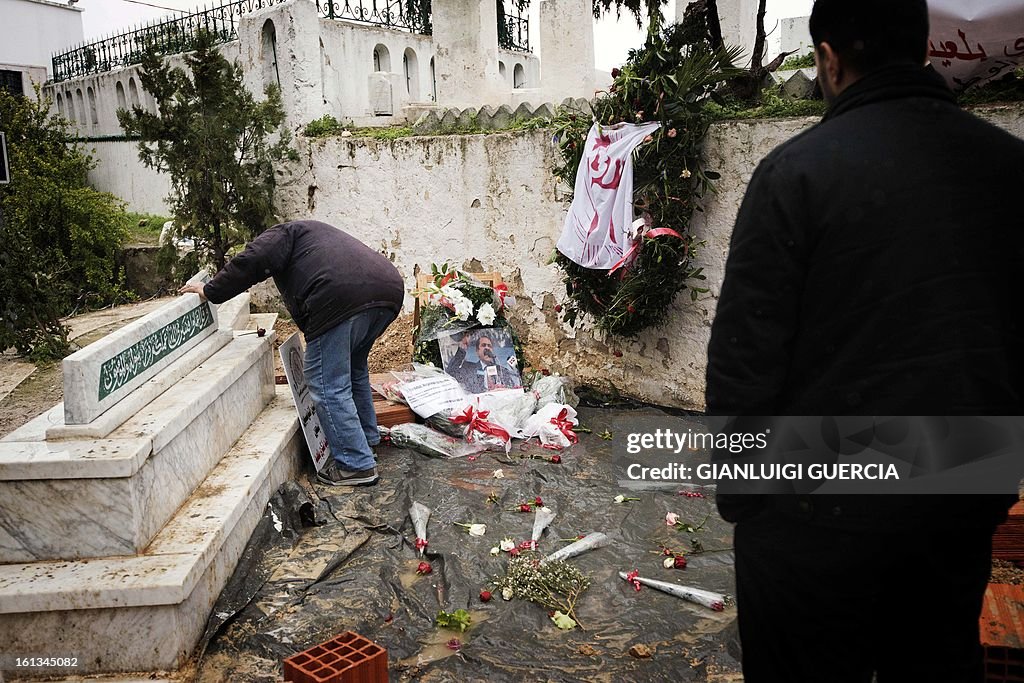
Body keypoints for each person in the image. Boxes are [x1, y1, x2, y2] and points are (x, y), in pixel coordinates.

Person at [705, 1, 1023, 681]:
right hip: (957, 493)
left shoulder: (796, 174)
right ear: (924, 48)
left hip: (813, 510)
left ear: (828, 58)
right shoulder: (1008, 168)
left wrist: (742, 498)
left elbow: (743, 358)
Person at [180, 219, 404, 487]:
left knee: (325, 382)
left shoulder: (281, 234)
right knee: (354, 369)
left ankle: (356, 465)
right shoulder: (313, 233)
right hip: (388, 290)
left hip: (340, 297)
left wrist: (211, 290)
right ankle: (366, 440)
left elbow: (252, 260)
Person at [444, 332, 519, 394]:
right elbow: (450, 373)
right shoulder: (469, 368)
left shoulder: (502, 370)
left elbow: (511, 388)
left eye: (489, 346)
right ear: (477, 351)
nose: (487, 348)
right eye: (483, 345)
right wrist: (462, 350)